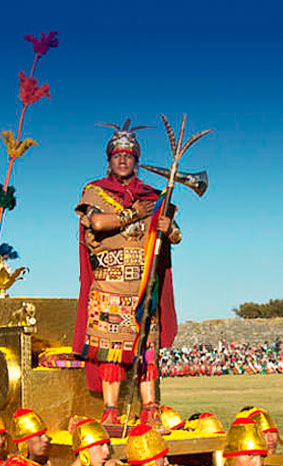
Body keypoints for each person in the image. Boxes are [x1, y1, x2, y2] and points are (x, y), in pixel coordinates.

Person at [72, 119, 183, 426]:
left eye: (129, 154)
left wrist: (168, 228)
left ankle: (150, 408)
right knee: (110, 350)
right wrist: (134, 213)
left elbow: (174, 234)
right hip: (110, 285)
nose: (123, 159)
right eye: (117, 154)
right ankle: (110, 410)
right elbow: (97, 223)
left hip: (144, 283)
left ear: (136, 160)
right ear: (109, 159)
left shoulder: (152, 195)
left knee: (147, 347)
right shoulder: (94, 191)